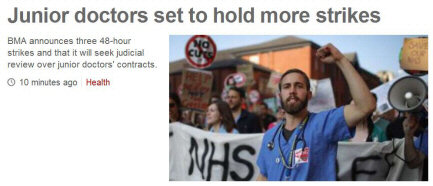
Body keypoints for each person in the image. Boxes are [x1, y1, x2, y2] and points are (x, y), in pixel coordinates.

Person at [256, 43, 376, 181]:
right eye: (287, 86)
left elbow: (366, 106)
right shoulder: (270, 136)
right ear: (280, 95)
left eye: (299, 86)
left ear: (309, 95)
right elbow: (264, 175)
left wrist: (340, 59)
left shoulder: (324, 123)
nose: (292, 91)